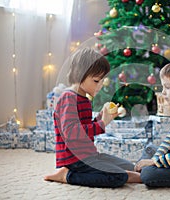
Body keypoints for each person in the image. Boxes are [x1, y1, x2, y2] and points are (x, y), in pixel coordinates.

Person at [44, 48, 141, 188]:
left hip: (90, 155)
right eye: (96, 81)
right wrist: (102, 124)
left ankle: (128, 173)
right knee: (119, 177)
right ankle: (67, 175)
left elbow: (85, 129)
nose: (100, 85)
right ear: (79, 75)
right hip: (75, 159)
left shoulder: (84, 98)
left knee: (130, 166)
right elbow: (71, 133)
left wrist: (101, 117)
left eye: (102, 81)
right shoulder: (68, 97)